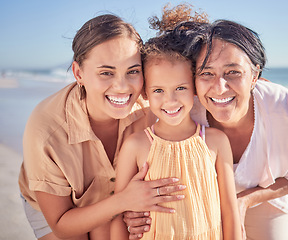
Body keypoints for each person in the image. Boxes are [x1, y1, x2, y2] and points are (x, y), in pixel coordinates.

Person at [18, 14, 186, 240]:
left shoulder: (152, 107)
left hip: (122, 201)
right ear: (79, 74)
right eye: (106, 73)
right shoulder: (47, 129)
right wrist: (125, 200)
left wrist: (131, 209)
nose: (122, 87)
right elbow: (60, 224)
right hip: (60, 212)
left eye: (133, 71)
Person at [110, 15, 242, 240]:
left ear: (194, 88)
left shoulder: (216, 141)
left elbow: (230, 212)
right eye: (158, 91)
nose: (170, 101)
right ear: (145, 93)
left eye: (180, 88)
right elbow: (118, 215)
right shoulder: (135, 145)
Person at [182, 19, 288, 240]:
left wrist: (243, 201)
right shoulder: (185, 109)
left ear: (254, 75)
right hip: (203, 198)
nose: (219, 87)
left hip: (268, 197)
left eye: (232, 72)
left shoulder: (287, 112)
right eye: (206, 73)